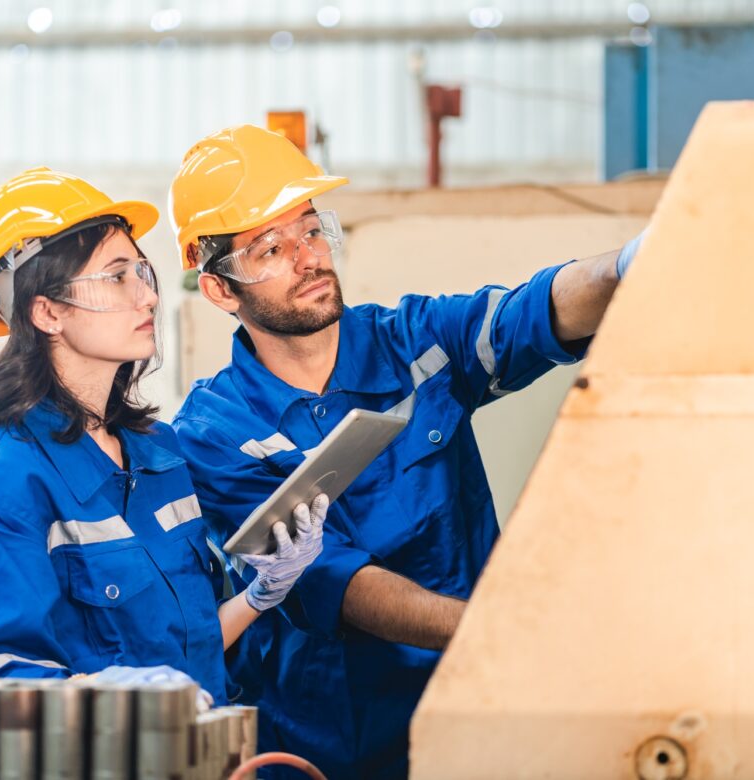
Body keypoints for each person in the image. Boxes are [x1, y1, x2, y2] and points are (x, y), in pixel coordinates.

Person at [167, 125, 645, 776]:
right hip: (326, 747)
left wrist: (625, 266)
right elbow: (332, 580)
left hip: (471, 721)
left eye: (311, 229)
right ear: (221, 289)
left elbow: (532, 314)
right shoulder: (216, 432)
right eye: (268, 248)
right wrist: (500, 629)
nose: (308, 257)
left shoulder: (412, 342)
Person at [0, 167, 325, 708]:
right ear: (48, 311)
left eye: (141, 273)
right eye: (116, 277)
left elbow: (187, 658)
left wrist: (259, 594)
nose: (146, 298)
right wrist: (115, 697)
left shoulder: (160, 453)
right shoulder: (9, 482)